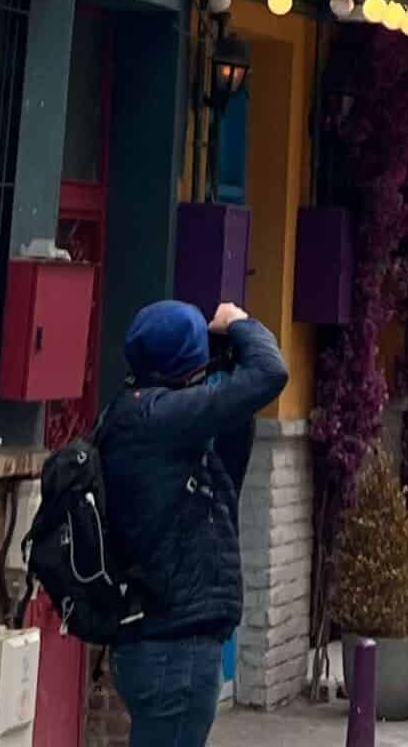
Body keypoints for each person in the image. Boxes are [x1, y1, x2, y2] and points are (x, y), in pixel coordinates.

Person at [99, 297, 289, 747]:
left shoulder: (138, 414)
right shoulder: (160, 420)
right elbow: (269, 372)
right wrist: (241, 325)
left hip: (160, 641)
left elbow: (233, 427)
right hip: (174, 649)